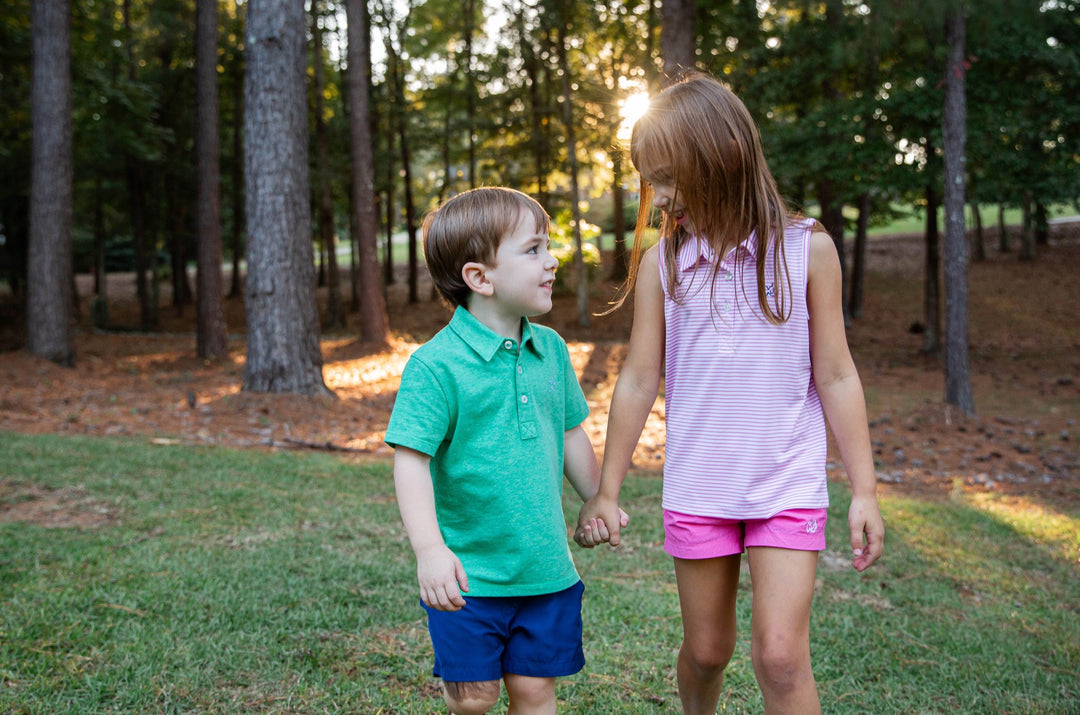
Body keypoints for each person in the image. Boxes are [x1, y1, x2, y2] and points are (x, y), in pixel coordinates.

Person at [574, 72, 885, 714]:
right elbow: (639, 378)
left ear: (721, 157)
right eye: (650, 180)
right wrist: (606, 489)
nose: (658, 196)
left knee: (781, 657)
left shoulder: (808, 250)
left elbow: (836, 374)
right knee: (707, 650)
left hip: (786, 483)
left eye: (667, 177)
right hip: (700, 486)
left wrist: (865, 490)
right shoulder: (663, 264)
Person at [386, 187, 626, 715]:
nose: (552, 260)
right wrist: (430, 551)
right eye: (534, 249)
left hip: (545, 570)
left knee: (535, 692)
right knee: (473, 699)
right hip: (469, 576)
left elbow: (569, 433)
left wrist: (597, 497)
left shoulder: (551, 349)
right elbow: (411, 461)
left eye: (548, 247)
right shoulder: (435, 366)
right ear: (480, 278)